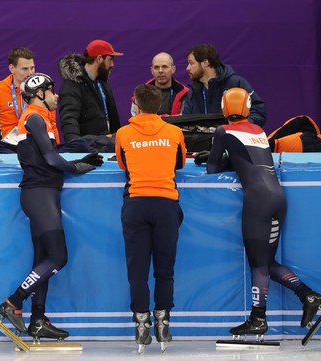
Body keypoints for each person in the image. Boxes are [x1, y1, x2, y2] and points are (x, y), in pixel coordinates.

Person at [194, 88, 321, 338]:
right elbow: (251, 159)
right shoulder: (259, 130)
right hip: (277, 198)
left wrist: (211, 157)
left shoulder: (223, 131)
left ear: (223, 108)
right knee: (267, 262)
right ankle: (309, 295)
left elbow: (212, 168)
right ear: (247, 108)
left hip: (257, 201)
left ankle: (258, 319)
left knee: (258, 265)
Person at [0, 73, 103, 341]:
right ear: (39, 94)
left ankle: (38, 320)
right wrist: (77, 166)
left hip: (42, 193)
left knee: (42, 260)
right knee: (58, 257)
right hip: (40, 193)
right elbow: (52, 160)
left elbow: (50, 158)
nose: (57, 95)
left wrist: (77, 160)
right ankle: (13, 301)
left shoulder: (40, 118)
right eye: (51, 90)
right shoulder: (34, 116)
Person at [115, 84, 186, 351]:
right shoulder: (175, 132)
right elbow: (179, 163)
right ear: (160, 106)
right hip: (166, 204)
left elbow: (123, 164)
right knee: (165, 269)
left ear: (137, 106)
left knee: (137, 270)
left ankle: (141, 325)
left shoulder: (123, 133)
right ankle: (163, 324)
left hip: (136, 204)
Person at [58, 39, 122, 152]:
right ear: (99, 59)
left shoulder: (103, 85)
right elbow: (69, 119)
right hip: (88, 151)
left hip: (108, 148)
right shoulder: (72, 86)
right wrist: (77, 148)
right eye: (110, 59)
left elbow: (113, 120)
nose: (112, 64)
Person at [183, 43, 267, 126]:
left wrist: (242, 126)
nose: (187, 68)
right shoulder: (193, 92)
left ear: (205, 63)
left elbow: (258, 110)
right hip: (202, 139)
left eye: (191, 63)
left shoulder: (235, 83)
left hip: (231, 138)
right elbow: (185, 120)